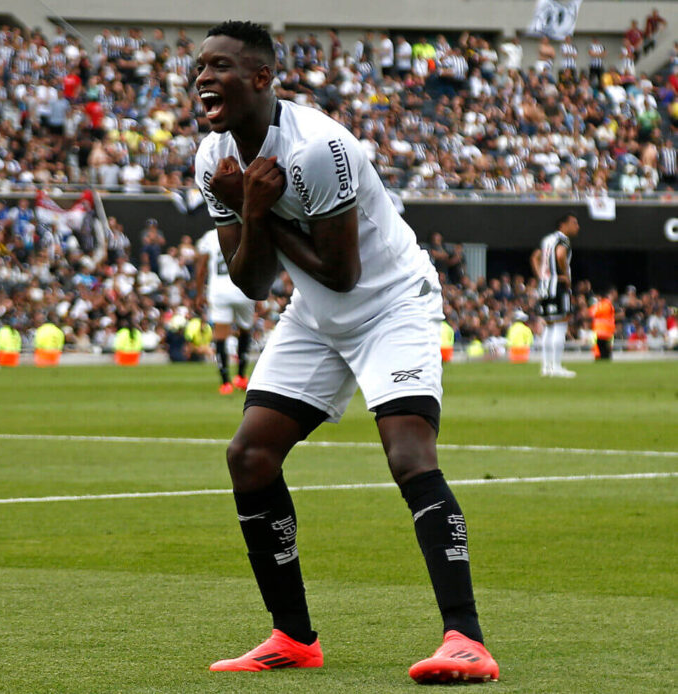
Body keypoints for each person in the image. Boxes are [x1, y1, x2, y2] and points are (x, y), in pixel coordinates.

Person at [193, 21, 497, 683]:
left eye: (220, 66)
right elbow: (250, 281)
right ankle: (293, 638)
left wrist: (257, 211)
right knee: (249, 455)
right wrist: (248, 211)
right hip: (316, 314)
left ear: (261, 78)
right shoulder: (212, 158)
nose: (203, 77)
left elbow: (342, 272)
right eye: (200, 67)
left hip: (391, 302)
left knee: (407, 452)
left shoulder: (318, 149)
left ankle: (465, 638)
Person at [196, 228, 257, 394]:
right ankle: (241, 377)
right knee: (245, 331)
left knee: (220, 336)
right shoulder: (246, 232)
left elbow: (201, 268)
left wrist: (199, 293)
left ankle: (225, 383)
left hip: (219, 290)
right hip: (243, 289)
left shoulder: (209, 236)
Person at [532, 214, 580, 378]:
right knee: (560, 326)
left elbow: (535, 257)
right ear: (563, 225)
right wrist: (565, 274)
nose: (577, 226)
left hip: (545, 288)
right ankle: (556, 366)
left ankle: (546, 366)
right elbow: (560, 255)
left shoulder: (547, 240)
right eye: (574, 223)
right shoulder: (563, 241)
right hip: (558, 287)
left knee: (549, 326)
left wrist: (542, 276)